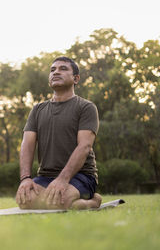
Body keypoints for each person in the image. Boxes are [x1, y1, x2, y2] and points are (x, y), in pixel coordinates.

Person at [15, 56, 102, 210]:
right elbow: (27, 145)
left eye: (63, 69)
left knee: (60, 201)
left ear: (76, 79)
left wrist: (63, 179)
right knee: (24, 200)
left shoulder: (86, 107)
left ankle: (92, 201)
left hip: (81, 176)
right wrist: (26, 178)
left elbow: (84, 146)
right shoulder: (37, 110)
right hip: (45, 176)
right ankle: (76, 204)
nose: (56, 72)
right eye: (52, 70)